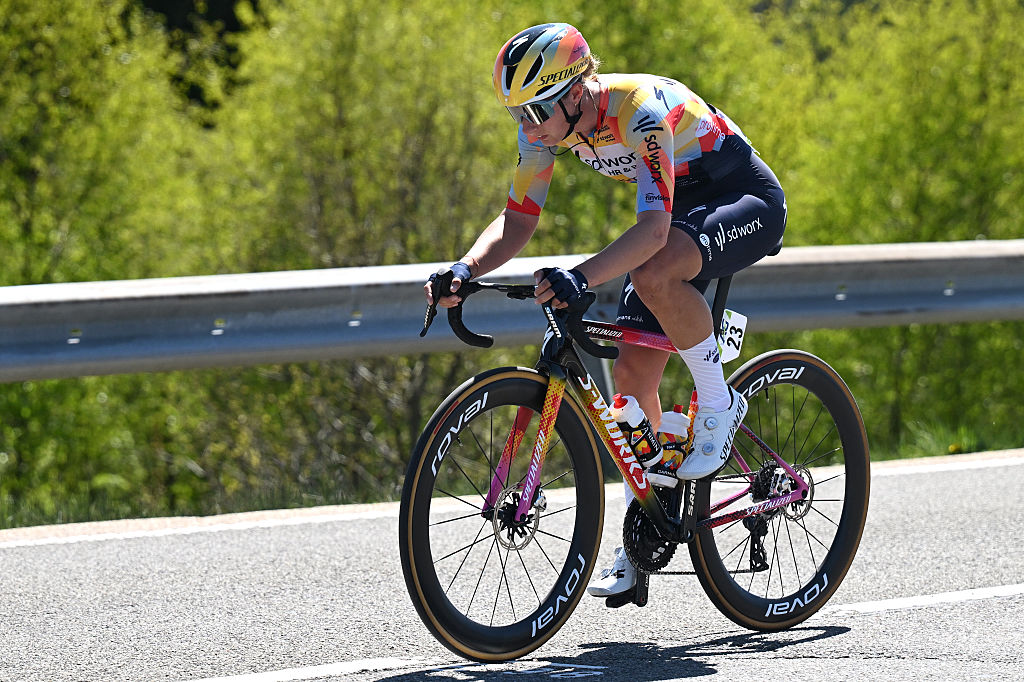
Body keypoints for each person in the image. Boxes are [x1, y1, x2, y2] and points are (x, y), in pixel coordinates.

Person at [424, 23, 786, 598]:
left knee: (653, 271)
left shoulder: (637, 112)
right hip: (676, 210)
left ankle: (719, 401)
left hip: (740, 197)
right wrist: (465, 269)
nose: (527, 126)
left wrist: (581, 276)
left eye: (534, 111)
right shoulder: (548, 129)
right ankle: (640, 539)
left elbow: (653, 229)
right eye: (517, 114)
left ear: (573, 93)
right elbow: (518, 219)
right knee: (632, 375)